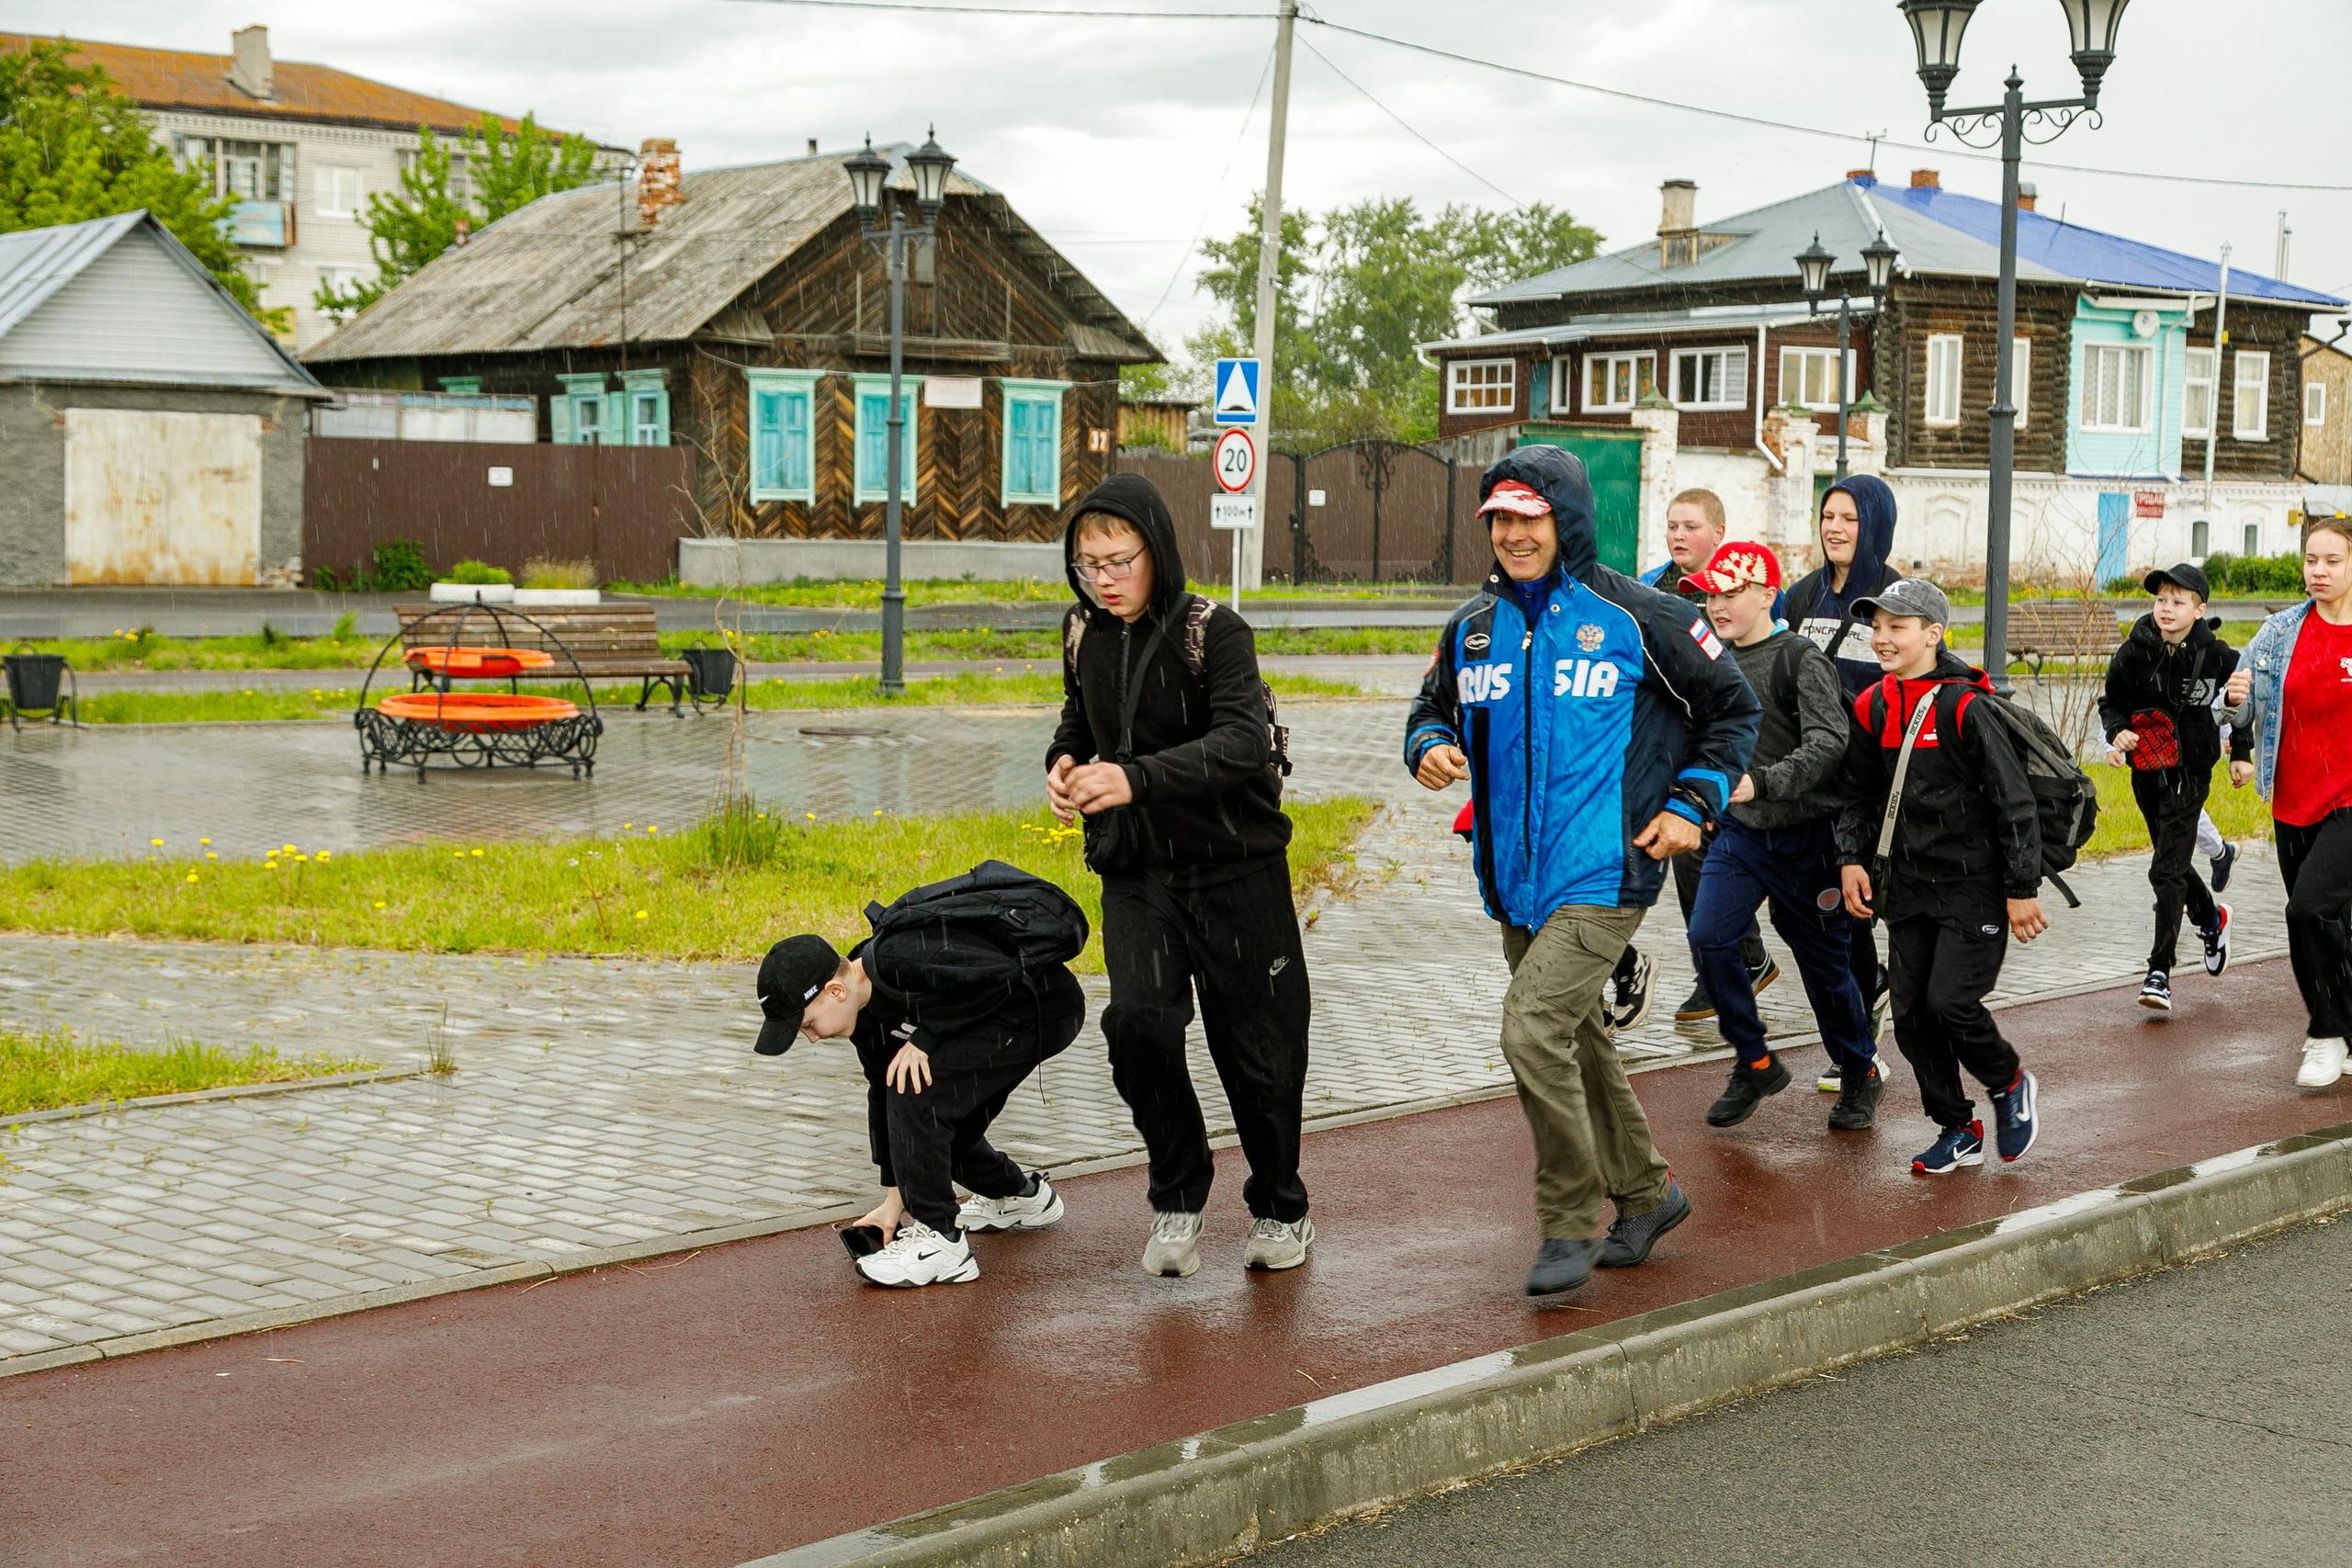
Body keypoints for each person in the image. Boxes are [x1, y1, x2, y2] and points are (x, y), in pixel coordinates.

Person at [1405, 445, 1759, 1295]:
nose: (1514, 534)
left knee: (1530, 1030)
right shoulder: (1473, 626)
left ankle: (1567, 1220)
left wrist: (1691, 805)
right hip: (1514, 877)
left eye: (1529, 516)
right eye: (1500, 519)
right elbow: (1431, 705)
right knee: (1577, 1036)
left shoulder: (1639, 613)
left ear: (1564, 518)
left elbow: (1733, 706)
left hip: (1610, 869)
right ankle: (1647, 1192)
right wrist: (1429, 744)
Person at [1046, 474, 1315, 1276]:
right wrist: (1062, 763)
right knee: (1137, 1024)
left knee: (1258, 1049)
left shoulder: (1216, 631)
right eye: (1089, 562)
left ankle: (1279, 1206)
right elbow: (1078, 716)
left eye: (1121, 559)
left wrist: (1135, 777)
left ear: (1157, 552)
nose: (1104, 578)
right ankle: (1177, 1191)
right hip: (1137, 871)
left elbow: (1241, 742)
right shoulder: (1079, 631)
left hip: (1236, 869)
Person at [1835, 580, 2046, 1176]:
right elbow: (1858, 792)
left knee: (1950, 1002)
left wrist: (2021, 887)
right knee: (1908, 1017)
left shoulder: (1966, 706)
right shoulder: (1873, 704)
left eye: (1897, 626)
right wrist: (1850, 857)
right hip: (1907, 886)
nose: (1882, 637)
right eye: (1877, 626)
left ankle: (2008, 1082)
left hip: (1973, 883)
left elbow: (2015, 802)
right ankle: (1958, 1126)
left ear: (1932, 634)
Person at [1676, 540, 1887, 1131]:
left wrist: (1762, 783)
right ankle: (1755, 1060)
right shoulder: (1707, 661)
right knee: (1710, 937)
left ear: (1767, 593)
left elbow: (1829, 743)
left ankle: (1859, 1072)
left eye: (1730, 592)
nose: (1716, 605)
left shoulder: (1800, 658)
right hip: (1740, 836)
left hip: (1808, 840)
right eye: (1709, 593)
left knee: (1826, 974)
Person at [754, 921, 1084, 1289]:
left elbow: (999, 977)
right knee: (939, 1133)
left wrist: (925, 1039)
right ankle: (1023, 1197)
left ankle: (942, 1243)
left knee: (915, 1087)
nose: (812, 1039)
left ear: (836, 991)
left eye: (808, 1025)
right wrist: (892, 1203)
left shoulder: (900, 959)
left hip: (1040, 1005)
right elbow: (882, 1093)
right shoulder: (864, 1019)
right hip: (998, 1021)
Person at [1624, 488, 1776, 1023]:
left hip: (1728, 743)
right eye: (1672, 526)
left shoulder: (1741, 580)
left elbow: (1756, 661)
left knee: (1707, 855)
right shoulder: (1650, 588)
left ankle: (1736, 964)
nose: (1678, 536)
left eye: (1690, 526)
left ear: (1718, 531)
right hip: (1672, 743)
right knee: (1688, 855)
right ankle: (1736, 960)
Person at [1782, 474, 1904, 1093]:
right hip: (1805, 778)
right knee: (1810, 909)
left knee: (1847, 904)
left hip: (1866, 779)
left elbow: (1910, 679)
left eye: (1849, 518)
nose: (1834, 527)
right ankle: (1863, 1004)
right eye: (1828, 515)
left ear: (1875, 525)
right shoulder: (1801, 597)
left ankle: (1859, 1027)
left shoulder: (1895, 596)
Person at [2224, 513, 2352, 1089]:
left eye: (2332, 561)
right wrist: (2233, 701)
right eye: (2311, 560)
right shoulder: (2280, 633)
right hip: (2294, 798)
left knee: (2308, 909)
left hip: (2349, 802)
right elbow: (2236, 710)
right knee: (2325, 924)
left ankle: (2326, 1033)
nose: (2317, 572)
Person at [2098, 562, 2247, 1011]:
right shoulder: (2133, 652)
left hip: (2192, 772)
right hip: (2146, 770)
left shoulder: (2219, 656)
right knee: (2173, 861)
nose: (2166, 608)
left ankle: (2159, 971)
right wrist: (2117, 732)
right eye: (2161, 599)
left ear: (2199, 610)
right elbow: (2111, 702)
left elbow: (2243, 703)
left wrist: (2240, 749)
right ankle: (2211, 917)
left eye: (2178, 602)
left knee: (2164, 869)